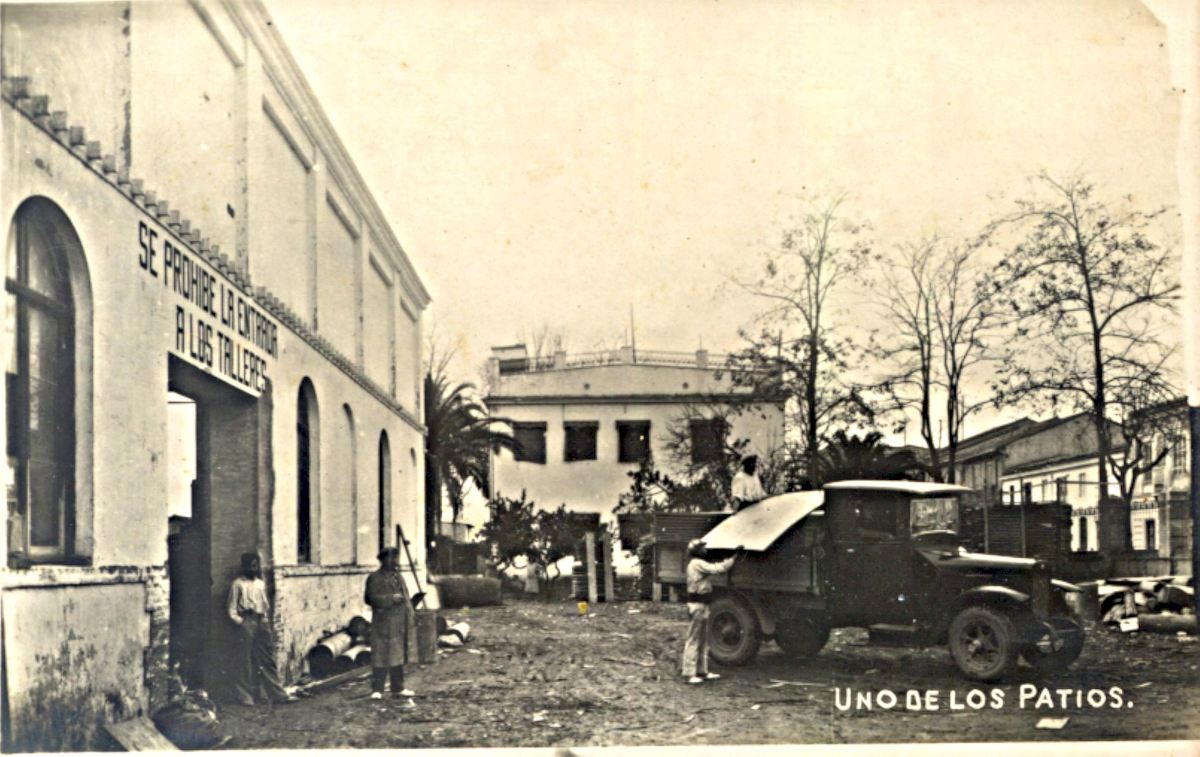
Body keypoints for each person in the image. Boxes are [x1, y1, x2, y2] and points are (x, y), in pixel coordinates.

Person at [227, 552, 295, 705]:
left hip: (261, 621)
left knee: (267, 659)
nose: (253, 569)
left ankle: (277, 695)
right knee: (244, 660)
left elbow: (265, 606)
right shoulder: (237, 584)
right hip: (246, 621)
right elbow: (231, 609)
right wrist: (242, 623)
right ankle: (245, 697)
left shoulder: (260, 584)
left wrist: (264, 622)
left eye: (255, 566)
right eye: (250, 566)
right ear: (244, 567)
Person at [681, 539, 744, 684]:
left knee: (703, 639)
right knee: (694, 639)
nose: (705, 550)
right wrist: (733, 558)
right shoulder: (697, 563)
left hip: (702, 604)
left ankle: (701, 671)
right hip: (698, 605)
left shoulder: (695, 563)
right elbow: (718, 569)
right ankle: (689, 673)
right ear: (696, 551)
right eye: (701, 548)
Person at [365, 547, 415, 700]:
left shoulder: (398, 577)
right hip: (383, 623)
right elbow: (370, 598)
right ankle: (377, 690)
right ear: (383, 560)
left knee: (397, 656)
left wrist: (410, 614)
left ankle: (398, 688)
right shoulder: (375, 577)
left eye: (396, 558)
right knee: (380, 656)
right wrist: (390, 599)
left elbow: (406, 598)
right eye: (392, 558)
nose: (395, 561)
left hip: (398, 623)